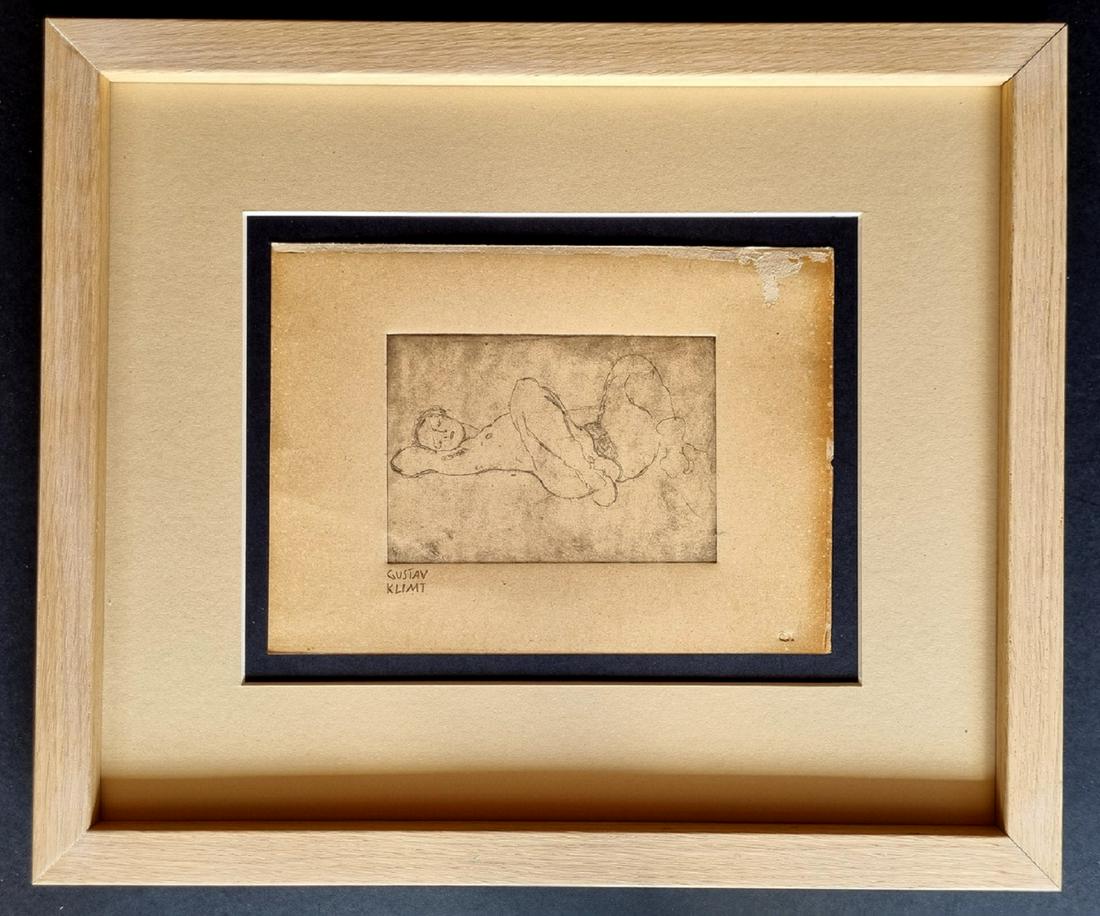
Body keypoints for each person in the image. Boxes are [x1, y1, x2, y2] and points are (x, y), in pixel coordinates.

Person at [390, 355, 692, 507]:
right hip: (571, 474)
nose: (441, 434)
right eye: (435, 441)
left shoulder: (494, 427)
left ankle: (670, 448)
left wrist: (603, 412)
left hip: (614, 449)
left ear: (445, 413)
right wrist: (426, 456)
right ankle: (590, 467)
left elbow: (566, 418)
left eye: (437, 424)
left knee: (630, 365)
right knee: (524, 390)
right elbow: (409, 461)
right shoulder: (468, 453)